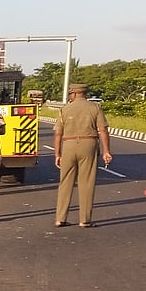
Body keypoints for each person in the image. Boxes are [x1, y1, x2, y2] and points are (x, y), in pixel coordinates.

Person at [53, 83, 113, 227]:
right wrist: (106, 151)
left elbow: (58, 133)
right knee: (86, 182)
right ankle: (84, 220)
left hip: (68, 145)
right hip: (88, 144)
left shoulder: (65, 109)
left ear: (73, 94)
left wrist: (57, 153)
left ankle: (60, 218)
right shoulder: (95, 108)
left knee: (65, 182)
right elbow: (103, 130)